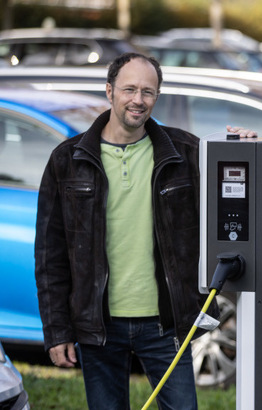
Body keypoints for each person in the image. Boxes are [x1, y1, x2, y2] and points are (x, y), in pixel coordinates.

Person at [34, 52, 221, 409]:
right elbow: (49, 254)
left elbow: (229, 203)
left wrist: (241, 147)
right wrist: (57, 331)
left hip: (166, 324)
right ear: (109, 91)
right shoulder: (67, 159)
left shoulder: (186, 152)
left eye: (148, 92)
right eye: (130, 89)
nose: (138, 100)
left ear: (157, 96)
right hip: (98, 326)